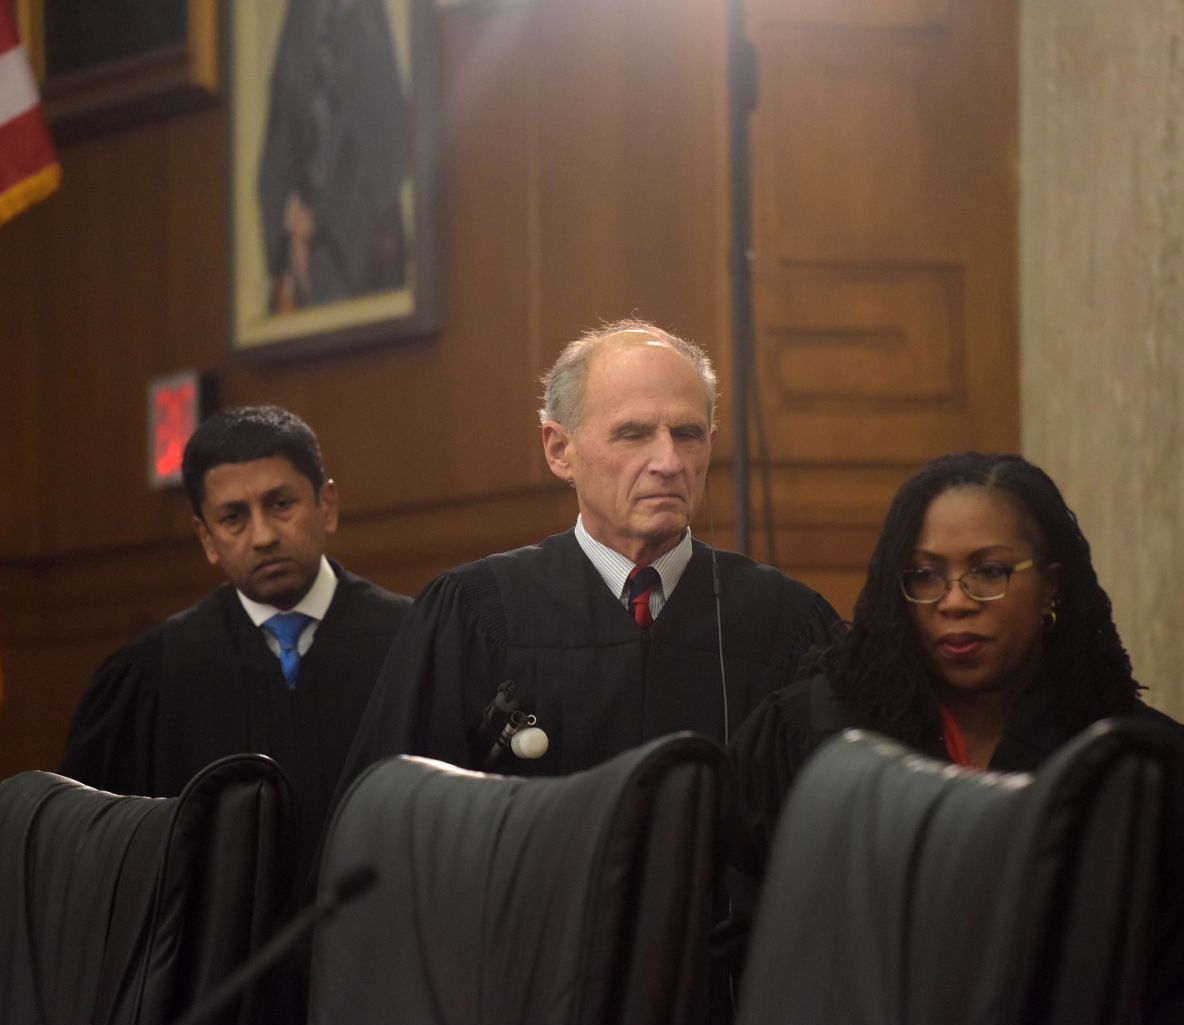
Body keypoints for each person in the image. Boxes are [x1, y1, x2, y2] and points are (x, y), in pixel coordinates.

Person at [728, 451, 1184, 1025]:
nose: (954, 601)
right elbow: (733, 923)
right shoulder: (812, 735)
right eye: (924, 575)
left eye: (990, 571)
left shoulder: (1138, 761)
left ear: (1050, 582)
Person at [336, 320, 841, 789]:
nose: (668, 462)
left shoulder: (784, 623)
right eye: (633, 433)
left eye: (686, 435)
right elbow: (399, 826)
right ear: (559, 451)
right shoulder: (478, 615)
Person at [60, 406, 410, 876]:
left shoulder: (410, 641)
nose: (263, 535)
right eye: (233, 518)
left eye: (281, 504)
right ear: (206, 537)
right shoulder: (153, 674)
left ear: (327, 507)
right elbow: (84, 838)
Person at [258, 0, 412, 313]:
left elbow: (389, 142)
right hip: (312, 248)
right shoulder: (304, 19)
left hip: (365, 237)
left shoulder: (370, 23)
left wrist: (318, 214)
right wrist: (285, 239)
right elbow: (283, 128)